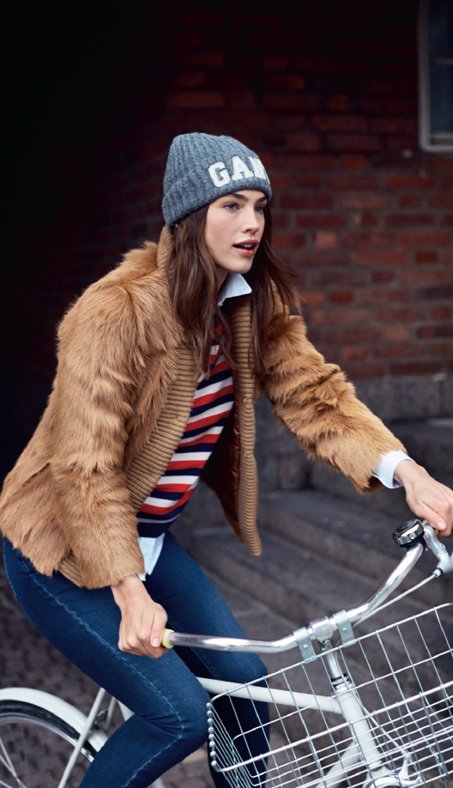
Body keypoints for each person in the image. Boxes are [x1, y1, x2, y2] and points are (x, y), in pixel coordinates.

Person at [1, 132, 453, 788]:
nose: (251, 223)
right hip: (60, 549)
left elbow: (315, 398)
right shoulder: (114, 315)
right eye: (231, 206)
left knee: (248, 690)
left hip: (148, 539)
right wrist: (128, 595)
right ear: (188, 218)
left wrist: (408, 473)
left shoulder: (249, 305)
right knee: (178, 716)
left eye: (259, 207)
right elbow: (84, 465)